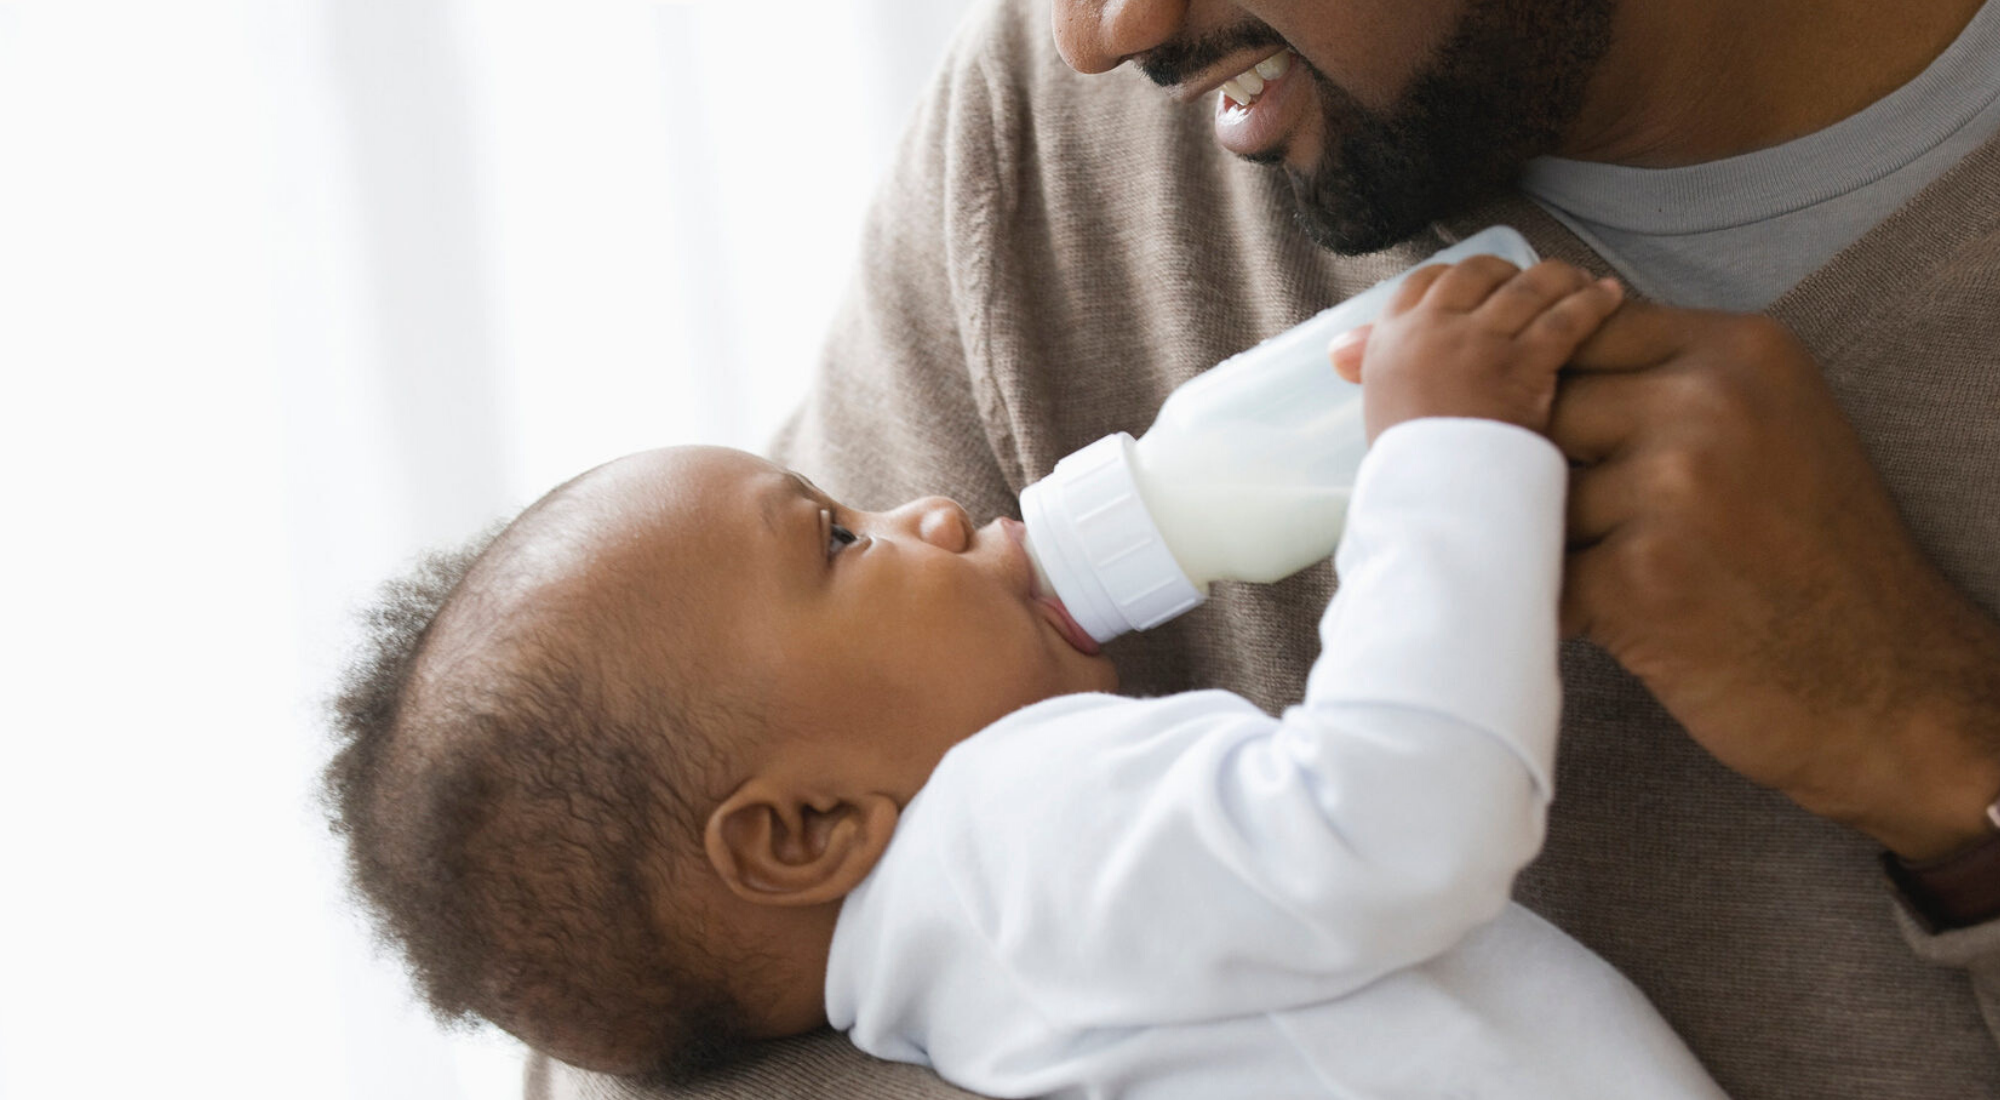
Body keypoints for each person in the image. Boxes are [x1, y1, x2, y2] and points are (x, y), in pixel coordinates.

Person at [528, 0, 2000, 1096]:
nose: (1104, 35)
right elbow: (628, 969)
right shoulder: (1061, 150)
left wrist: (1945, 756)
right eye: (846, 539)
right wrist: (1449, 469)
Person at [331, 259, 1741, 1096]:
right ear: (806, 829)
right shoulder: (1015, 834)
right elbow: (1397, 817)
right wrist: (1446, 455)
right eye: (836, 539)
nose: (929, 514)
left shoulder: (976, 980)